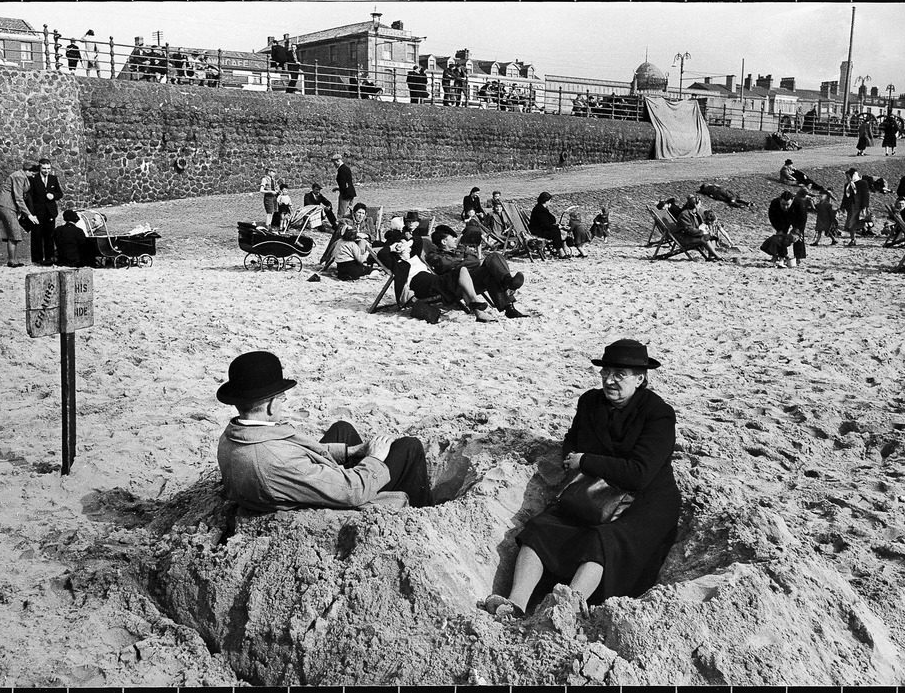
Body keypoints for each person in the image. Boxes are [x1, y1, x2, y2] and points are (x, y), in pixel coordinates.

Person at [482, 339, 679, 617]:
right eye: (605, 373)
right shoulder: (590, 402)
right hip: (595, 492)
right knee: (541, 529)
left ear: (640, 379)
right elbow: (572, 442)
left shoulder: (658, 414)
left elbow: (640, 473)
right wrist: (577, 458)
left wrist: (587, 461)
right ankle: (516, 604)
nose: (610, 381)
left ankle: (565, 609)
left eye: (619, 375)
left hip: (645, 504)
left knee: (601, 541)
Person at [216, 351, 432, 512]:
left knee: (342, 430)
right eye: (281, 398)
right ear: (271, 406)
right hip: (328, 502)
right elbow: (351, 492)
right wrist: (374, 459)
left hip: (287, 485)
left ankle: (360, 465)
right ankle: (424, 513)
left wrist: (352, 452)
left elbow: (290, 453)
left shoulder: (231, 437)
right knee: (409, 448)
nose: (283, 402)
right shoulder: (274, 460)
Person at [426, 225, 528, 320]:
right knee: (489, 275)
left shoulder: (460, 250)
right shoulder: (434, 255)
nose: (455, 240)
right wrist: (463, 261)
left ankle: (508, 285)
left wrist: (459, 262)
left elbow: (475, 261)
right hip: (458, 285)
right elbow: (445, 265)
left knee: (493, 257)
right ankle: (508, 289)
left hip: (473, 279)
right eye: (452, 238)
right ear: (444, 242)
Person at [0, 163, 38, 268]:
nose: (33, 176)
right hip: (7, 206)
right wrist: (28, 214)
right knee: (14, 233)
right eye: (33, 173)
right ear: (28, 171)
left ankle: (13, 259)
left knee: (12, 233)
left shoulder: (19, 175)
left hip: (5, 206)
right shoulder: (19, 176)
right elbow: (18, 197)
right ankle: (12, 261)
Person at [28, 158, 65, 266]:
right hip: (38, 212)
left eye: (48, 168)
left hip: (50, 212)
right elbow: (30, 196)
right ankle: (37, 259)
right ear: (40, 167)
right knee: (37, 235)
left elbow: (60, 194)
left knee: (49, 235)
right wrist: (31, 213)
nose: (46, 171)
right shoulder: (33, 179)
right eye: (44, 168)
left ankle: (49, 257)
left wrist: (53, 195)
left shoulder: (53, 179)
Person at [675, 196, 721, 261]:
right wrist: (702, 232)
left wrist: (707, 229)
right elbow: (689, 229)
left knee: (713, 237)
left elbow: (701, 225)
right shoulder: (684, 214)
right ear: (695, 205)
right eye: (699, 204)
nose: (700, 206)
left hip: (692, 235)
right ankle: (718, 256)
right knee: (705, 238)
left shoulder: (696, 214)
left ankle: (711, 256)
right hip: (684, 238)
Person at [529, 191, 572, 258]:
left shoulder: (541, 208)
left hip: (539, 229)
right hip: (538, 231)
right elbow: (545, 225)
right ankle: (561, 252)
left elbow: (547, 223)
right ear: (546, 201)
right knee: (556, 231)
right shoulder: (540, 210)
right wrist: (558, 227)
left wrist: (559, 226)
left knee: (559, 230)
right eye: (549, 201)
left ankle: (564, 250)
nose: (550, 202)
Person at [767, 190, 803, 267]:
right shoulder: (774, 203)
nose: (785, 207)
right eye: (783, 204)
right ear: (780, 200)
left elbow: (802, 219)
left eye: (787, 204)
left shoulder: (799, 204)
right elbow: (772, 217)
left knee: (798, 238)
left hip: (796, 217)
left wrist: (797, 231)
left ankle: (798, 257)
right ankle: (781, 256)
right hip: (781, 218)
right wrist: (779, 229)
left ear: (792, 201)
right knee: (781, 236)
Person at [839, 168, 870, 246]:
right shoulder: (847, 185)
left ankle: (866, 225)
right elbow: (845, 197)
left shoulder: (863, 183)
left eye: (848, 176)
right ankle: (853, 239)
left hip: (859, 206)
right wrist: (842, 206)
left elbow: (866, 195)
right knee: (850, 223)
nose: (847, 178)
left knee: (853, 223)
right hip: (850, 207)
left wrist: (865, 206)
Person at [332, 153, 356, 218]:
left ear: (338, 161)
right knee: (349, 212)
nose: (334, 165)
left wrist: (340, 189)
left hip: (345, 195)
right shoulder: (347, 168)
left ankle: (341, 226)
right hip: (351, 193)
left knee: (341, 214)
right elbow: (347, 183)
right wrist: (338, 188)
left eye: (335, 163)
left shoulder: (341, 170)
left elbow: (343, 185)